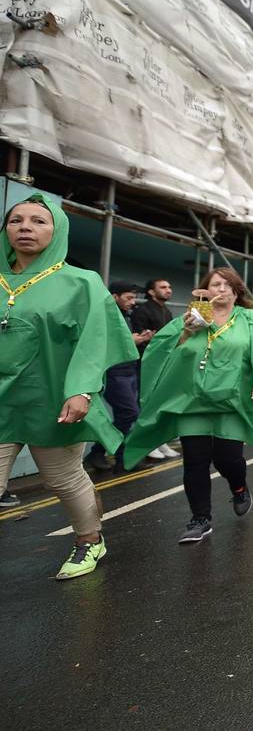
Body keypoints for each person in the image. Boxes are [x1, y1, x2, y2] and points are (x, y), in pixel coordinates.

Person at [125, 267, 253, 543]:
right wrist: (186, 333)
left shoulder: (250, 318)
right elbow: (161, 353)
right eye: (216, 284)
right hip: (193, 400)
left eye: (229, 285)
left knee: (228, 458)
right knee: (195, 461)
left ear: (237, 292)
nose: (222, 289)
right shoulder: (191, 317)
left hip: (231, 400)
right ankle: (200, 519)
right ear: (205, 291)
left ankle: (239, 488)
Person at [1, 194, 138, 579]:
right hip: (2, 401)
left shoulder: (81, 283)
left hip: (53, 400)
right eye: (16, 220)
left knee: (62, 479)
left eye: (38, 221)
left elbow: (94, 340)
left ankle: (89, 539)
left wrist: (81, 390)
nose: (25, 227)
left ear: (57, 230)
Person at [87, 281, 166, 472]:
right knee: (130, 413)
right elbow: (100, 341)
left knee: (127, 414)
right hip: (114, 372)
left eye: (133, 298)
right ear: (115, 297)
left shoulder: (126, 315)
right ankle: (99, 452)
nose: (132, 302)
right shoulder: (105, 315)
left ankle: (121, 459)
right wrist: (131, 339)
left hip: (129, 370)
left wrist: (141, 338)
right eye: (128, 298)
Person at [131, 278, 174, 344]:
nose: (168, 291)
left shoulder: (168, 312)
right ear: (152, 292)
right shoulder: (142, 311)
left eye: (169, 287)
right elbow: (139, 338)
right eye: (163, 287)